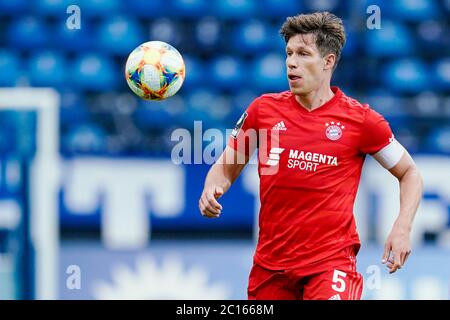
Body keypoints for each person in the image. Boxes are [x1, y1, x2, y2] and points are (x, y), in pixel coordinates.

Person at [198, 11, 423, 300]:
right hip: (270, 268)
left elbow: (410, 173)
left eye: (303, 54)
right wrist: (212, 186)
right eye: (289, 53)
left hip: (330, 264)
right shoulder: (262, 111)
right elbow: (227, 167)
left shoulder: (362, 121)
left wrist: (402, 228)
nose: (292, 62)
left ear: (328, 62)